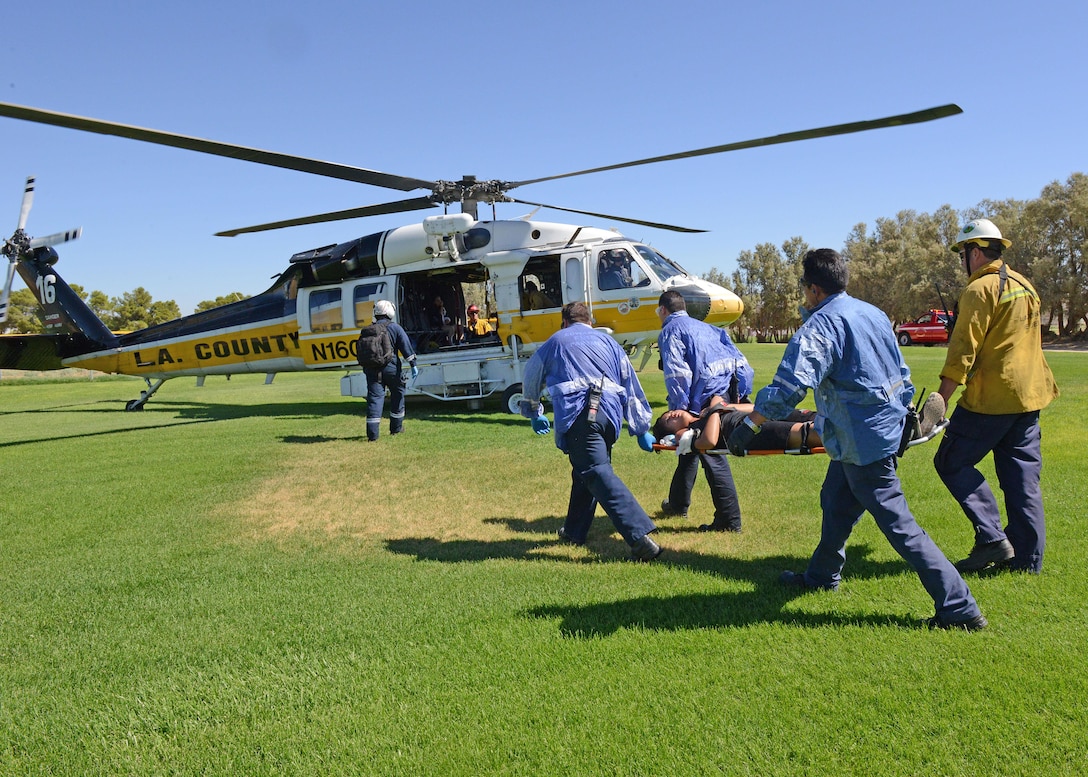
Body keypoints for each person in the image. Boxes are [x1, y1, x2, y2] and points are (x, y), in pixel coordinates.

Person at [726, 249, 986, 631]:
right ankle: (821, 576)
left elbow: (788, 388)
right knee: (835, 501)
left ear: (813, 289)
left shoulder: (821, 327)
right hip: (876, 431)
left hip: (861, 441)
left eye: (804, 289)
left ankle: (959, 606)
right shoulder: (873, 314)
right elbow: (901, 372)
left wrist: (750, 425)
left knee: (900, 526)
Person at [932, 218, 1058, 574]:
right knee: (1022, 479)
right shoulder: (1025, 285)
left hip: (992, 399)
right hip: (1029, 397)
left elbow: (963, 351)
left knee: (951, 461)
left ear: (975, 252)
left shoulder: (979, 289)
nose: (963, 261)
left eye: (963, 254)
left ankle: (991, 538)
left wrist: (940, 401)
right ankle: (1027, 562)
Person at [520, 301, 663, 561]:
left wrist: (533, 411)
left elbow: (531, 373)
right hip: (609, 416)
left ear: (565, 322)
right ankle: (574, 531)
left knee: (596, 472)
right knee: (585, 470)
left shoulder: (556, 341)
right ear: (590, 321)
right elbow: (630, 383)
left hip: (581, 415)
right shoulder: (610, 343)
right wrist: (641, 427)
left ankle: (640, 537)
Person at [656, 290, 754, 532]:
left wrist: (680, 410)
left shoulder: (670, 330)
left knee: (712, 453)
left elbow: (677, 374)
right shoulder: (711, 328)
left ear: (663, 310)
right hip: (727, 390)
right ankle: (678, 503)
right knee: (690, 447)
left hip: (705, 397)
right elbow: (742, 364)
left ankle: (729, 520)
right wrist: (739, 394)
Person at [654, 399, 820, 454]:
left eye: (671, 412)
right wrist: (715, 411)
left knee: (809, 416)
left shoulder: (705, 413)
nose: (672, 414)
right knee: (808, 432)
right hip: (743, 433)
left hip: (758, 416)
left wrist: (764, 409)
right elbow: (709, 441)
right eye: (668, 420)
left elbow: (743, 407)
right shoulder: (682, 434)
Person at [364, 300, 419, 442]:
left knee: (374, 399)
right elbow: (406, 347)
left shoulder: (369, 329)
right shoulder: (395, 328)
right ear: (390, 312)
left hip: (372, 370)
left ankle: (372, 435)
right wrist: (413, 364)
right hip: (391, 368)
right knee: (398, 394)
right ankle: (396, 428)